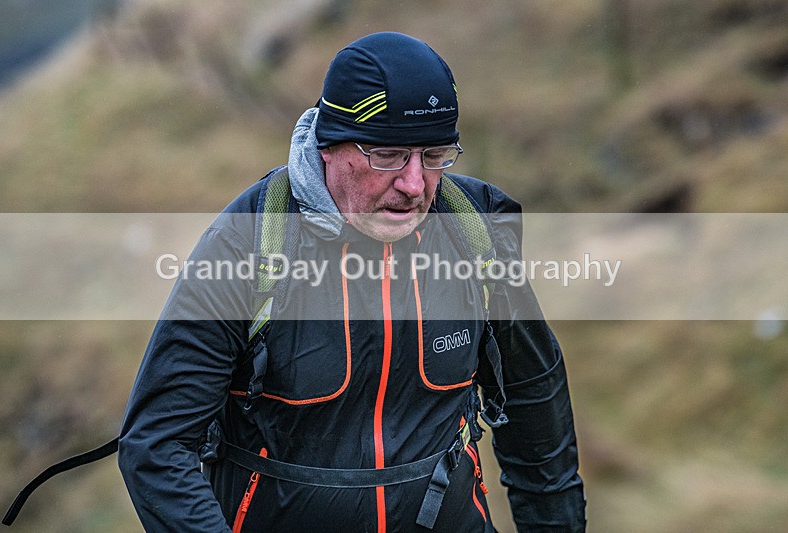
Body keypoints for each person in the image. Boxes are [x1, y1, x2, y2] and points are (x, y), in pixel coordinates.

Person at [118, 32, 586, 532]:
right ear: (329, 145)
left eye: (434, 156)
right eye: (388, 155)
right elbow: (158, 448)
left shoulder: (474, 232)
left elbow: (538, 409)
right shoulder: (249, 243)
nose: (413, 184)